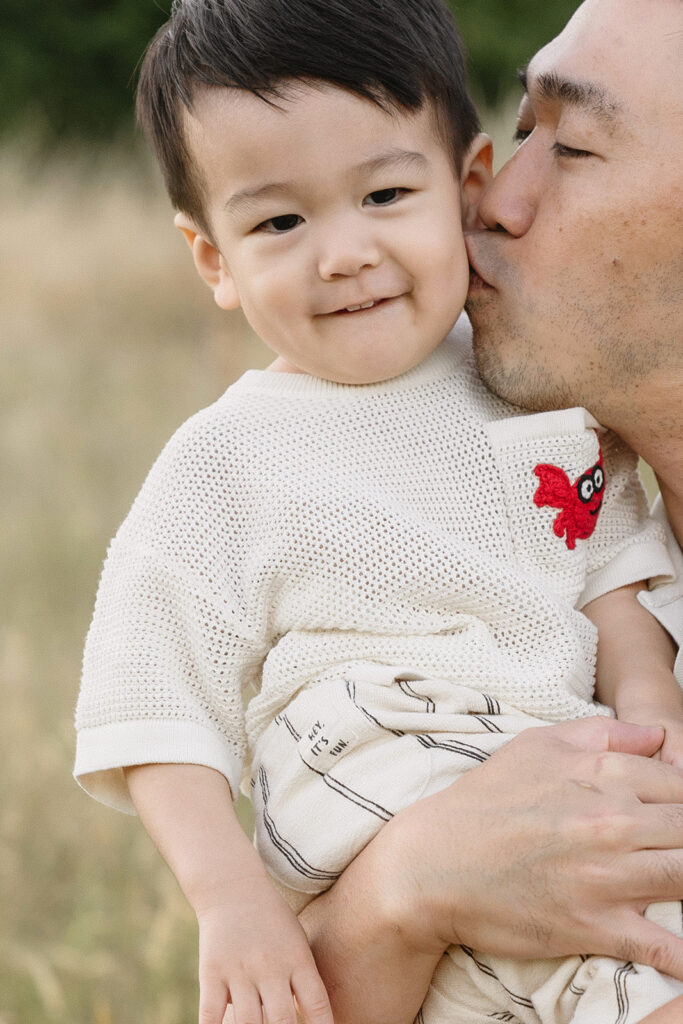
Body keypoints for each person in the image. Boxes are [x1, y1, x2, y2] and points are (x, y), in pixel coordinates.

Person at [71, 0, 681, 1022]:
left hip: (569, 786)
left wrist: (651, 726)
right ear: (212, 257)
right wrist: (233, 903)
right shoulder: (224, 457)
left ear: (459, 183)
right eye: (278, 221)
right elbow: (155, 705)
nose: (342, 253)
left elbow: (611, 582)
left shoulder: (537, 410)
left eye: (385, 194)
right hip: (367, 784)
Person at [297, 0, 683, 1022]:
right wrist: (402, 889)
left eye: (577, 146)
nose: (490, 201)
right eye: (522, 131)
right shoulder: (470, 555)